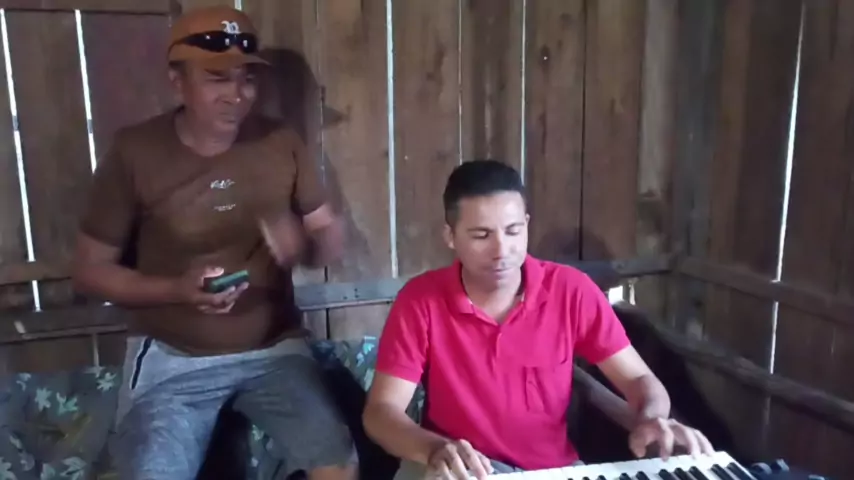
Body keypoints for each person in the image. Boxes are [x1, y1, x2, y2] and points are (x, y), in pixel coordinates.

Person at [71, 6, 357, 480]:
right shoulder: (135, 151)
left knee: (339, 464)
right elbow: (89, 271)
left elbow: (328, 233)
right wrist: (176, 290)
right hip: (174, 357)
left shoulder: (280, 142)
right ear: (177, 82)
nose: (236, 95)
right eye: (217, 79)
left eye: (247, 79)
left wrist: (304, 248)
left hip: (273, 350)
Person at [362, 160, 715, 479]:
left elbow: (639, 379)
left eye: (513, 231)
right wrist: (434, 448)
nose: (502, 251)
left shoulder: (570, 290)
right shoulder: (421, 300)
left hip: (552, 470)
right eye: (481, 235)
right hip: (459, 470)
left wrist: (652, 417)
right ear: (450, 236)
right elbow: (381, 412)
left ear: (527, 225)